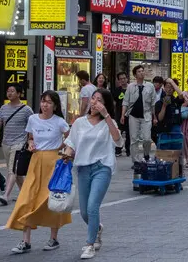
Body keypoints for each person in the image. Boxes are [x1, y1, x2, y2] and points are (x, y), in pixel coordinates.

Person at [7, 91, 71, 254]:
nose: (45, 105)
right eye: (43, 101)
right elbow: (30, 138)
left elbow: (70, 140)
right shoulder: (33, 119)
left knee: (51, 200)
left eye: (49, 102)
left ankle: (53, 238)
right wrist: (31, 144)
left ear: (55, 106)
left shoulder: (60, 122)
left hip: (53, 163)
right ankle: (25, 241)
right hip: (35, 162)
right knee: (27, 199)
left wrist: (63, 151)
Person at [63, 89, 123, 259]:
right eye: (93, 99)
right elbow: (71, 143)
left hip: (102, 167)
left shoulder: (108, 123)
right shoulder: (80, 122)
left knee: (92, 206)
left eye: (99, 100)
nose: (94, 102)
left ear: (105, 104)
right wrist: (67, 154)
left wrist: (107, 116)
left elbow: (118, 141)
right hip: (83, 168)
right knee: (84, 212)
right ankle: (97, 228)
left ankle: (89, 244)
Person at [0, 85, 34, 205]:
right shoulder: (3, 108)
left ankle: (6, 195)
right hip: (6, 143)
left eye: (12, 91)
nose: (9, 93)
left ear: (19, 94)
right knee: (16, 171)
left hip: (19, 144)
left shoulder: (26, 109)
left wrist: (30, 140)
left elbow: (32, 126)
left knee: (12, 170)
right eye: (8, 91)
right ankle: (26, 194)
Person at [122, 65, 157, 163]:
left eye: (142, 71)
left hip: (146, 115)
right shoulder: (130, 87)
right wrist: (122, 115)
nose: (141, 73)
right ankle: (136, 160)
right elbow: (125, 102)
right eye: (139, 71)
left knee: (147, 138)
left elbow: (153, 103)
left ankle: (146, 154)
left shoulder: (150, 86)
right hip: (133, 115)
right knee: (134, 139)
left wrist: (154, 117)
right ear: (135, 74)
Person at [113, 72, 130, 157]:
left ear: (127, 78)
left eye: (124, 78)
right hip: (119, 114)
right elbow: (114, 102)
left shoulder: (131, 89)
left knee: (129, 133)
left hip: (130, 114)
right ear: (119, 80)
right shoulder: (117, 90)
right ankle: (118, 149)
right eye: (121, 79)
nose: (123, 80)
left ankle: (128, 150)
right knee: (118, 132)